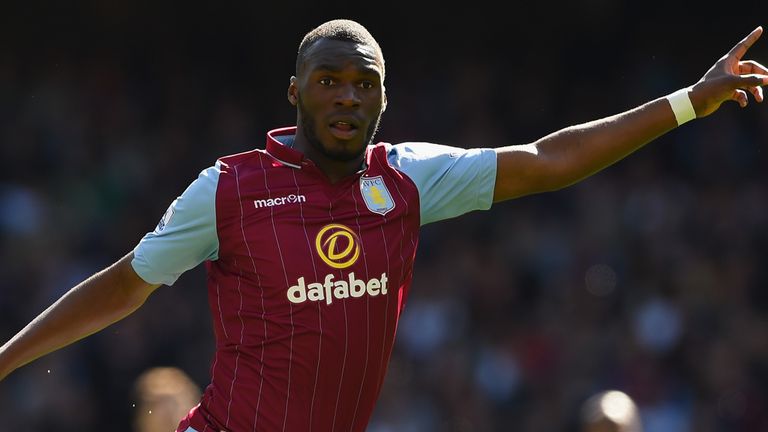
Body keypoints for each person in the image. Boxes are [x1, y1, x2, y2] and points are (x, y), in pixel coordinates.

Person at [0, 18, 766, 432]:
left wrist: (690, 102)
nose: (345, 98)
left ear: (383, 100)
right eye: (328, 81)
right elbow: (125, 286)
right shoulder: (229, 189)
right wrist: (5, 359)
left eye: (363, 84)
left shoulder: (408, 178)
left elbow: (547, 159)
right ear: (294, 91)